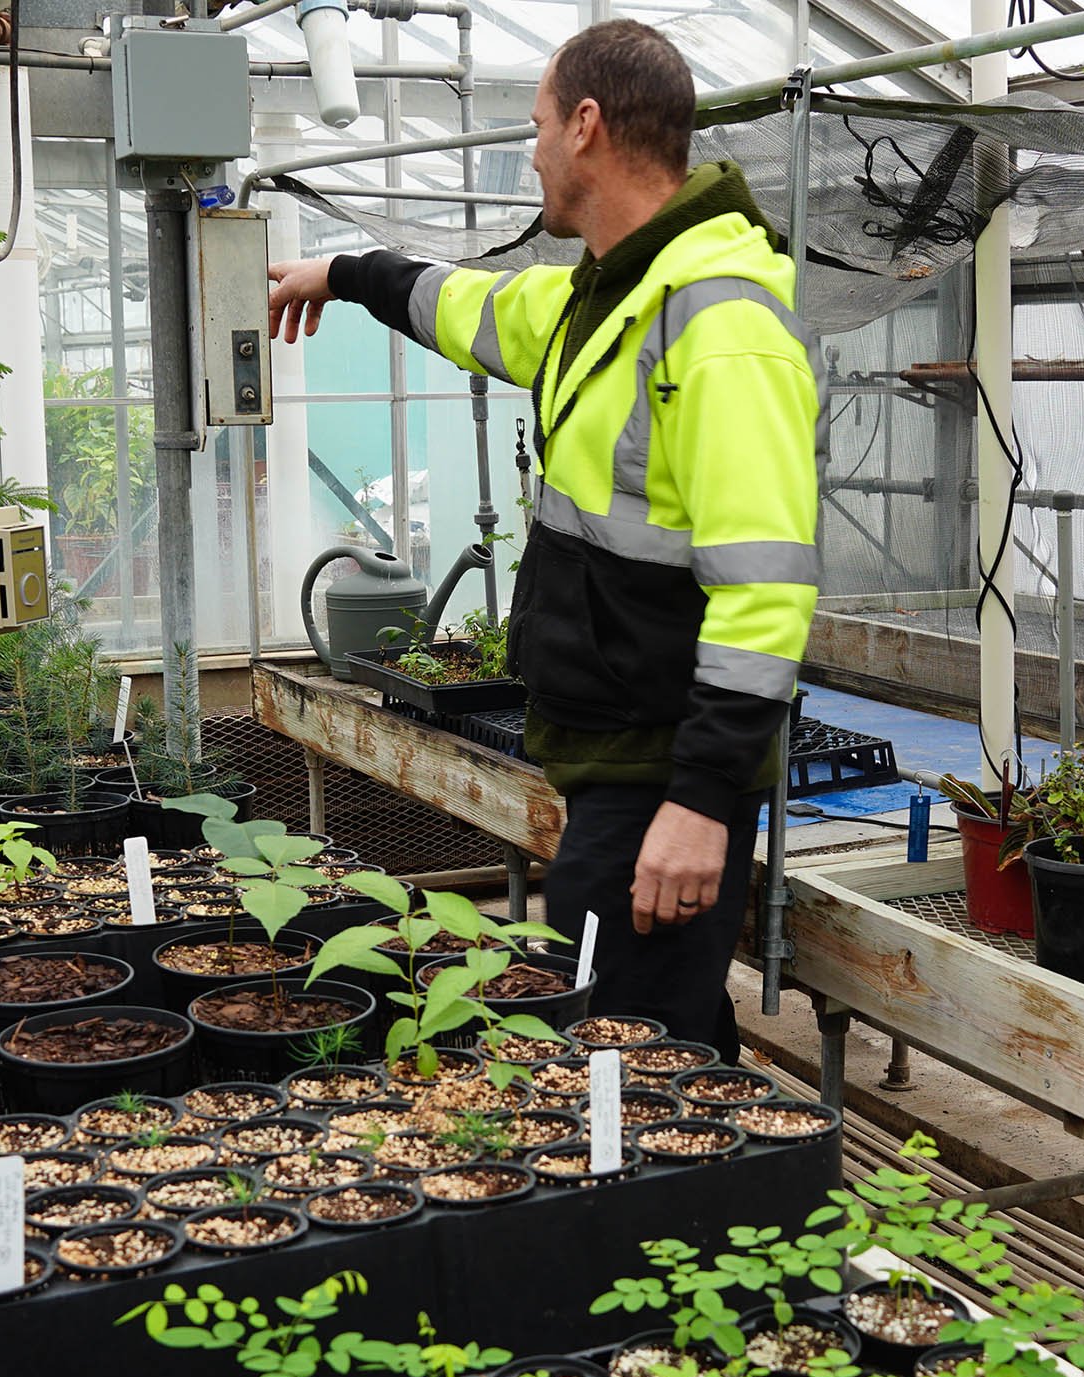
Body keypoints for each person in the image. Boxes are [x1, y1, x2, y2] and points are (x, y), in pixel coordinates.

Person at [266, 19, 822, 1059]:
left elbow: (767, 588)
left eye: (534, 128)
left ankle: (700, 1218)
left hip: (660, 771)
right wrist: (342, 274)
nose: (528, 153)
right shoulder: (601, 298)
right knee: (662, 1037)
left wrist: (701, 803)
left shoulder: (721, 323)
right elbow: (465, 307)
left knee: (624, 1069)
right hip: (607, 757)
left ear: (587, 125)